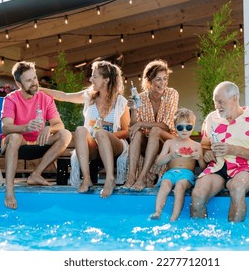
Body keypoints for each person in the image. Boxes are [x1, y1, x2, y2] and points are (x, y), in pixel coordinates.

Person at [40, 60, 130, 198]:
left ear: (106, 80)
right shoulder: (89, 97)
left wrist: (105, 134)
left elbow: (126, 131)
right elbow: (64, 96)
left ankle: (110, 179)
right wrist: (39, 89)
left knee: (101, 134)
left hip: (114, 145)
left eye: (95, 76)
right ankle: (87, 179)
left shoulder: (120, 102)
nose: (90, 79)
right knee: (81, 130)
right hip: (94, 145)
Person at [191, 81, 249, 222]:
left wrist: (233, 149)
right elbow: (204, 146)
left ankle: (235, 238)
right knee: (198, 194)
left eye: (221, 102)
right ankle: (201, 241)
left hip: (246, 167)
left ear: (234, 98)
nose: (217, 106)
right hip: (218, 166)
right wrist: (207, 153)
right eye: (215, 102)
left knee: (237, 188)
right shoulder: (212, 118)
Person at [1, 61, 72, 209]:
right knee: (15, 136)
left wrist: (49, 129)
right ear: (18, 83)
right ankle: (9, 191)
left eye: (34, 78)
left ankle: (36, 174)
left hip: (38, 141)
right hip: (17, 144)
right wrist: (25, 128)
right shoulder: (11, 99)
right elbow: (5, 128)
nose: (34, 83)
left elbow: (59, 125)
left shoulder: (45, 98)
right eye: (28, 80)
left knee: (65, 134)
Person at [124, 59, 179, 191]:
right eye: (158, 79)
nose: (163, 83)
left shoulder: (172, 93)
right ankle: (131, 178)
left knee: (155, 130)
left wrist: (141, 123)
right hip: (148, 143)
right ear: (149, 81)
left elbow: (166, 125)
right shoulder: (141, 97)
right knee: (137, 134)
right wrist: (134, 110)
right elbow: (133, 128)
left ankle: (142, 178)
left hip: (167, 140)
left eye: (165, 79)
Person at [150, 108, 206, 221]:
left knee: (180, 187)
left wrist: (199, 158)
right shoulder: (169, 143)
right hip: (170, 173)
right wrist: (171, 155)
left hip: (187, 174)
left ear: (193, 127)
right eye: (180, 127)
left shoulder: (196, 145)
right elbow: (158, 162)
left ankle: (174, 217)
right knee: (165, 185)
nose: (184, 130)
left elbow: (203, 168)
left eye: (188, 127)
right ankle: (157, 211)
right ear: (175, 128)